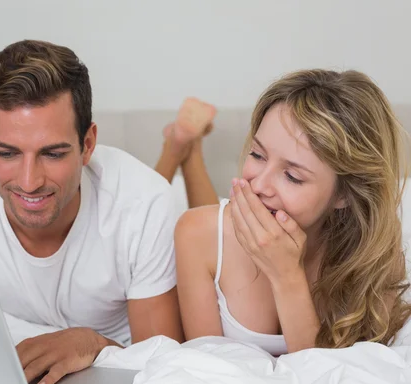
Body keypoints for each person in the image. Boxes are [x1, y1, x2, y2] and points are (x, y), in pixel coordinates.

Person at [0, 39, 184, 384]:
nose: (29, 182)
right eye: (8, 153)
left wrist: (91, 344)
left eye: (53, 154)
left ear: (87, 144)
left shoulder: (143, 203)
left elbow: (166, 372)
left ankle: (182, 150)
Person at [174, 69, 411, 356]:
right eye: (257, 155)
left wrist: (286, 276)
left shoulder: (374, 256)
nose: (259, 185)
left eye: (293, 176)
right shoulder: (197, 235)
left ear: (344, 195)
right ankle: (185, 149)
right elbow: (205, 379)